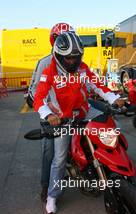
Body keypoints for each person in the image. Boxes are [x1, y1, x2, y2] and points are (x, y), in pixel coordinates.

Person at [33, 30, 124, 214]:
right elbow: (39, 97)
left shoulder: (82, 68)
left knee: (110, 127)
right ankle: (52, 195)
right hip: (64, 117)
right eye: (69, 58)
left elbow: (97, 84)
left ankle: (114, 167)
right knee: (58, 160)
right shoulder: (49, 70)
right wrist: (48, 115)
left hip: (84, 110)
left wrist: (114, 98)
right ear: (58, 55)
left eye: (77, 57)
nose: (74, 61)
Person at [26, 23, 73, 202]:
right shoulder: (46, 62)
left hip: (72, 113)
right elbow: (35, 92)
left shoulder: (76, 62)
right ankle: (46, 186)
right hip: (52, 116)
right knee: (49, 151)